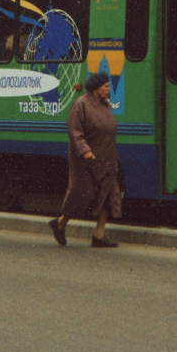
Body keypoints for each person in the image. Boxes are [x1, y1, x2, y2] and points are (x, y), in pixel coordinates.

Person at [49, 72, 122, 248]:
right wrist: (84, 150)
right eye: (106, 86)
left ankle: (98, 236)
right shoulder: (81, 104)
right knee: (82, 196)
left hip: (106, 160)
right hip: (86, 161)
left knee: (107, 196)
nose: (109, 89)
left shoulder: (105, 105)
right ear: (96, 89)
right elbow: (74, 130)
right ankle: (60, 223)